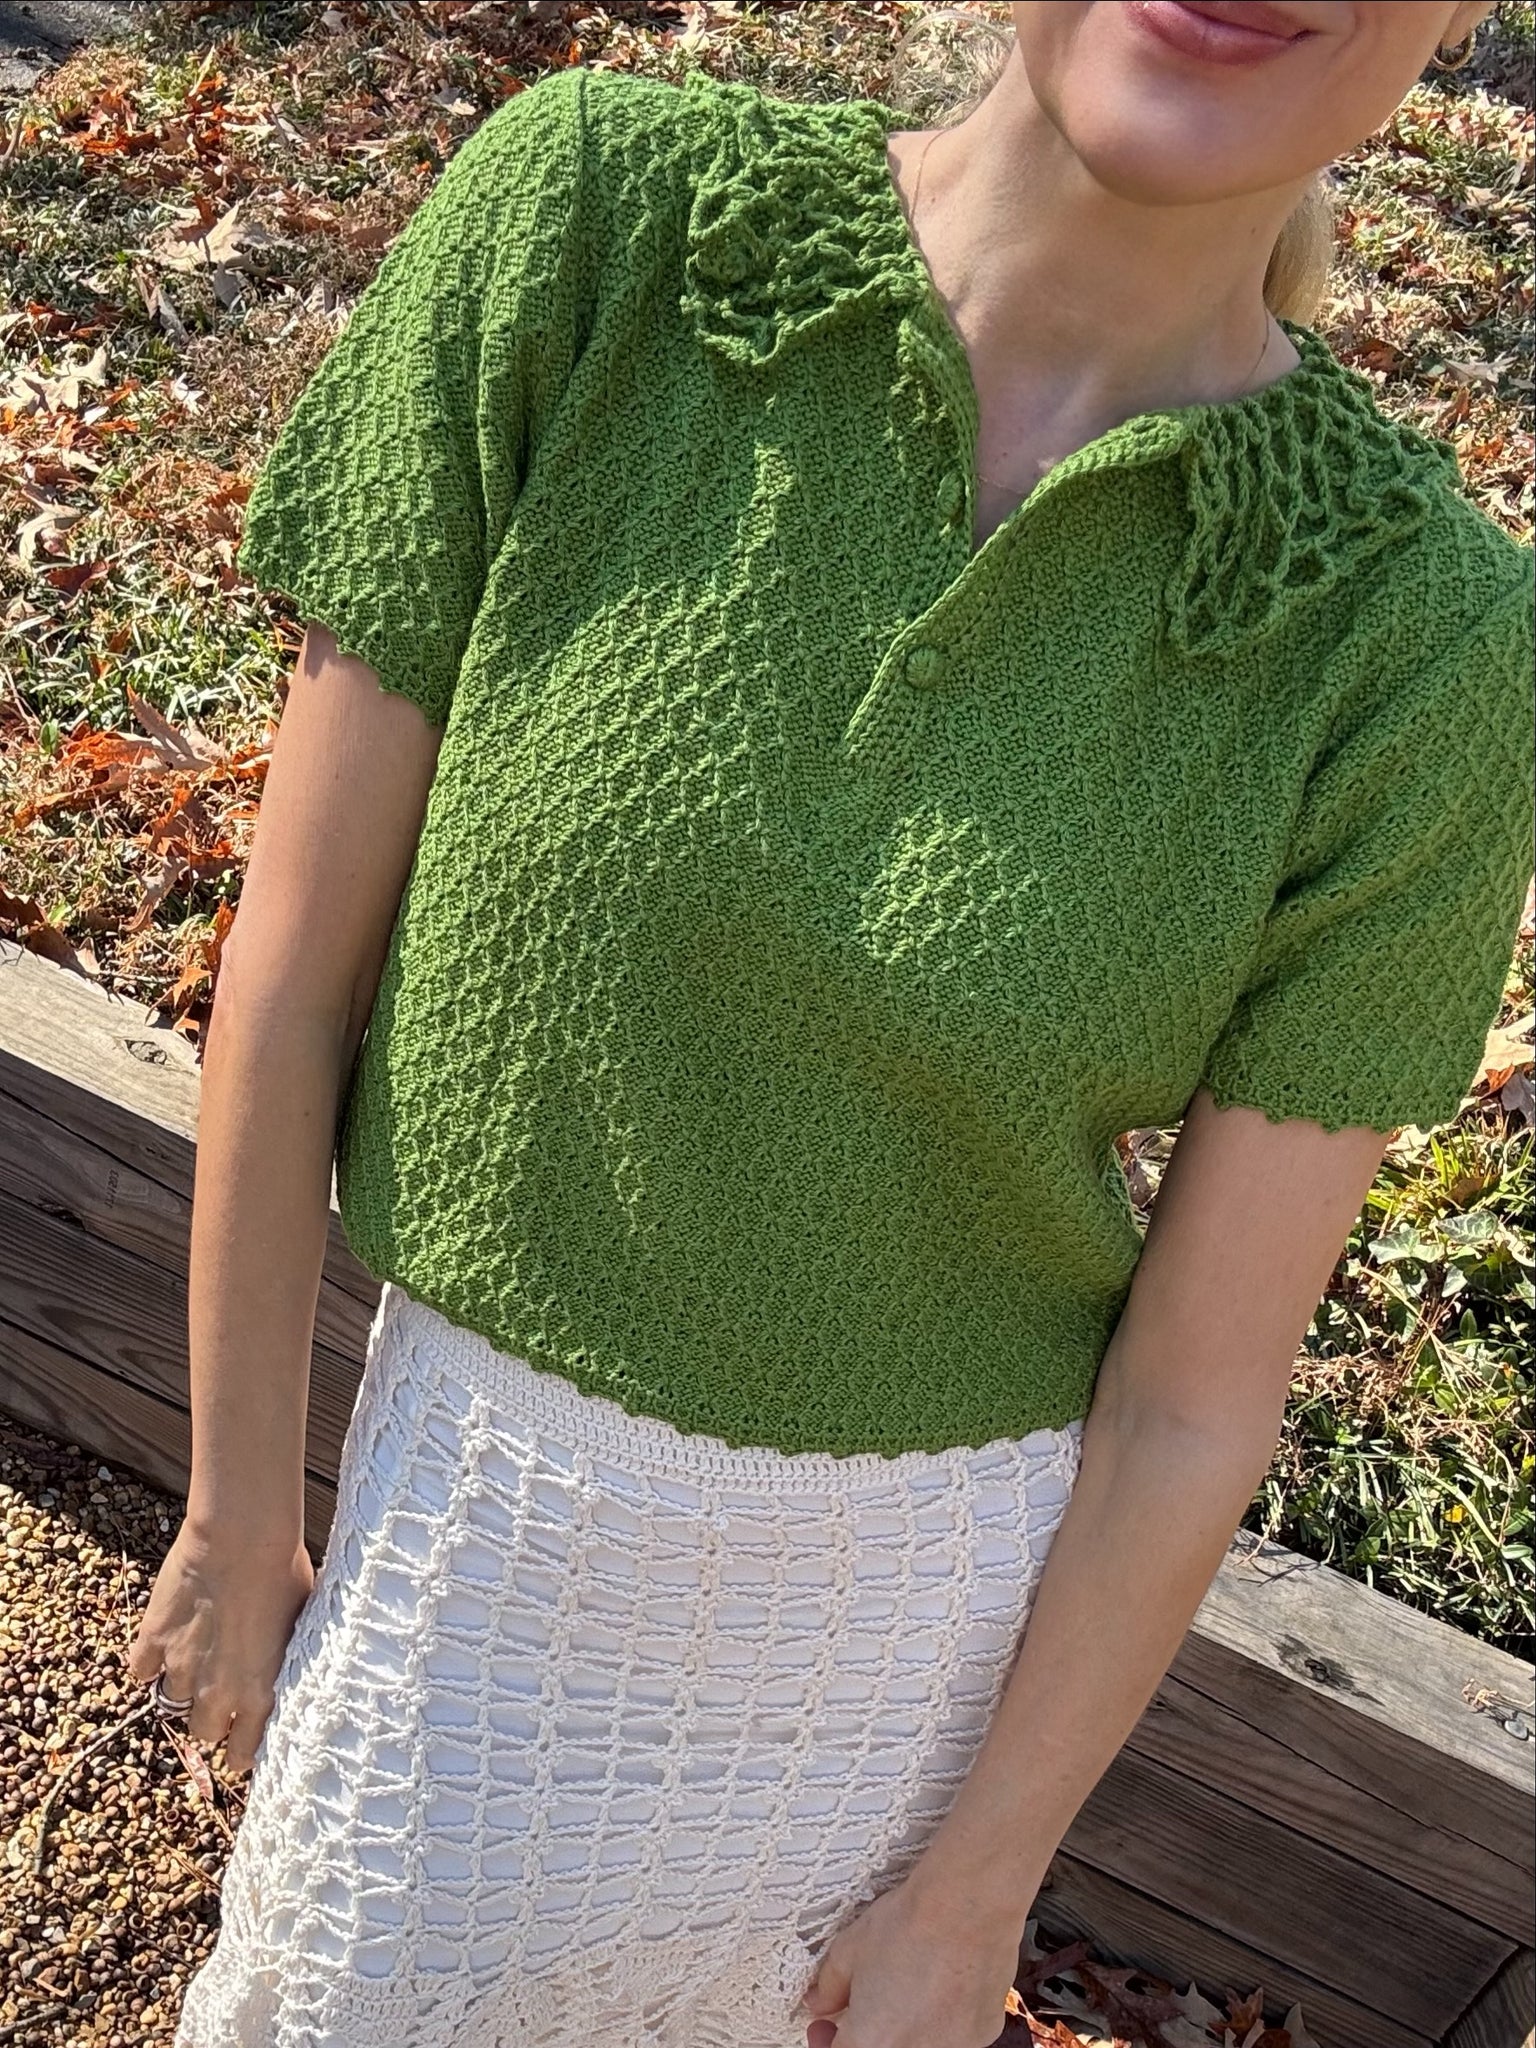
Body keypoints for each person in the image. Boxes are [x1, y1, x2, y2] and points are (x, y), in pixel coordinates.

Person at [142, 3, 1531, 2044]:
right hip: (467, 1542)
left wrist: (978, 1887)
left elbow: (1193, 1395)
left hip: (886, 1677)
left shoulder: (1423, 642)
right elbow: (290, 975)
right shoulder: (597, 232)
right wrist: (238, 1506)